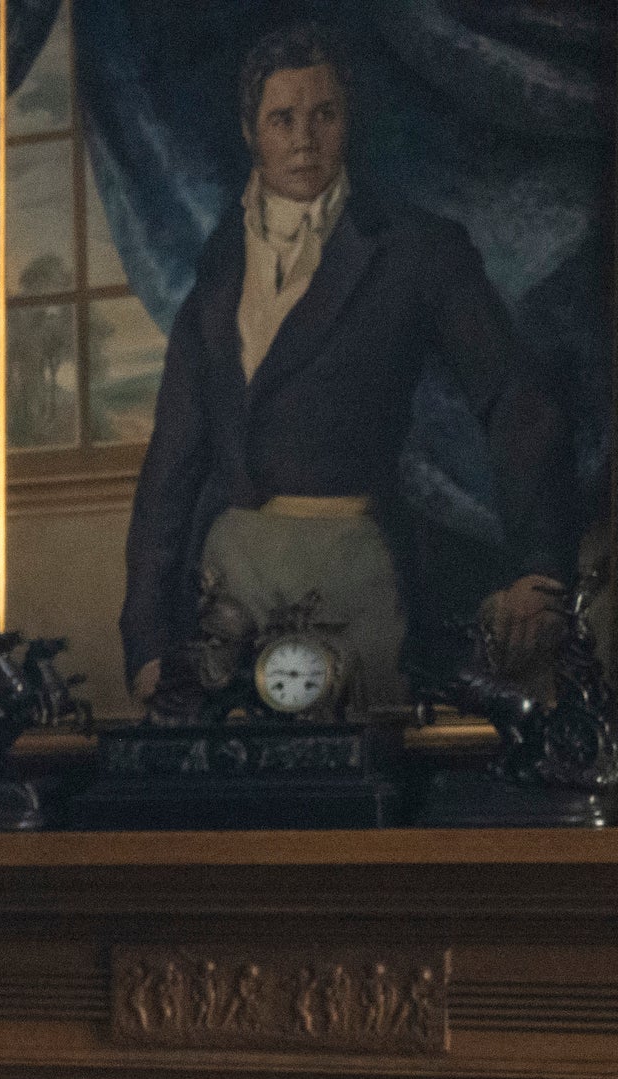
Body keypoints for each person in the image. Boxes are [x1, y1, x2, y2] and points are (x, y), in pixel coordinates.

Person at [121, 19, 572, 709]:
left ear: (347, 121)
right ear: (250, 132)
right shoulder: (217, 272)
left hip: (358, 576)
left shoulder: (416, 249)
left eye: (323, 114)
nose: (304, 138)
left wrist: (540, 569)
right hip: (227, 591)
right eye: (282, 119)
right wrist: (148, 640)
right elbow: (171, 466)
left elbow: (517, 398)